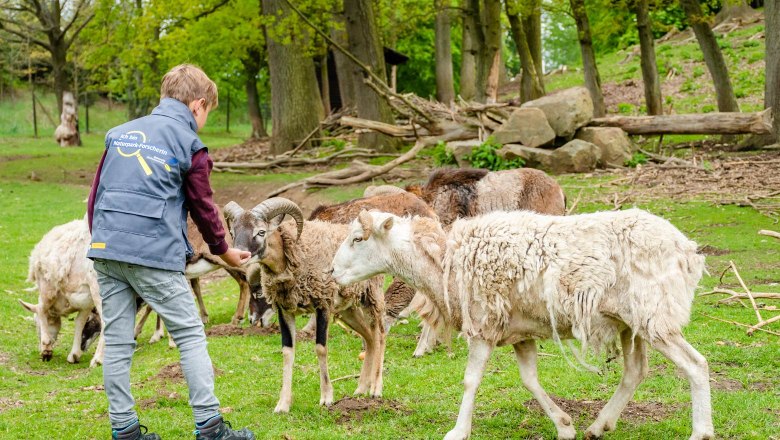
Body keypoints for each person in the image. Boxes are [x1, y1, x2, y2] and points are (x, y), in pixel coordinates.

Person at [87, 64, 255, 440]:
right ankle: (211, 428)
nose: (205, 120)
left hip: (107, 247)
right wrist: (224, 251)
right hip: (152, 252)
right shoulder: (189, 143)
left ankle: (125, 431)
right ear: (198, 104)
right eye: (208, 112)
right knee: (191, 333)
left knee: (116, 339)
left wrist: (103, 239)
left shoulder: (119, 133)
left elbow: (95, 195)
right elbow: (203, 207)